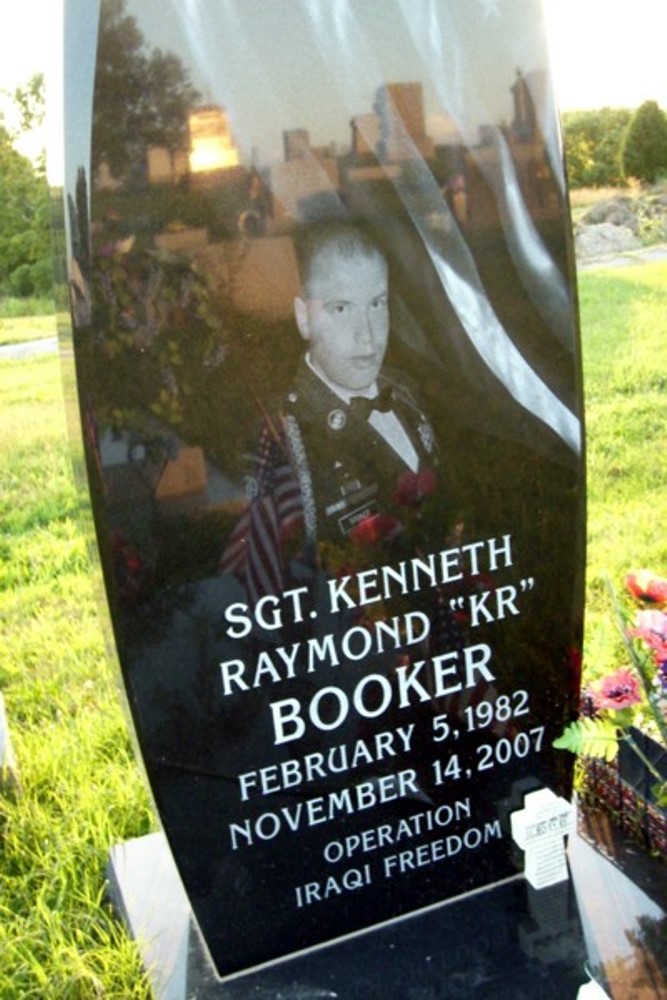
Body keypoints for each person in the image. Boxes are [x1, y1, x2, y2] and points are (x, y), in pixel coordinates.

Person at [282, 219, 439, 546]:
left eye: (377, 304)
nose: (367, 335)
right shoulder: (287, 436)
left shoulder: (405, 390)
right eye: (341, 309)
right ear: (303, 318)